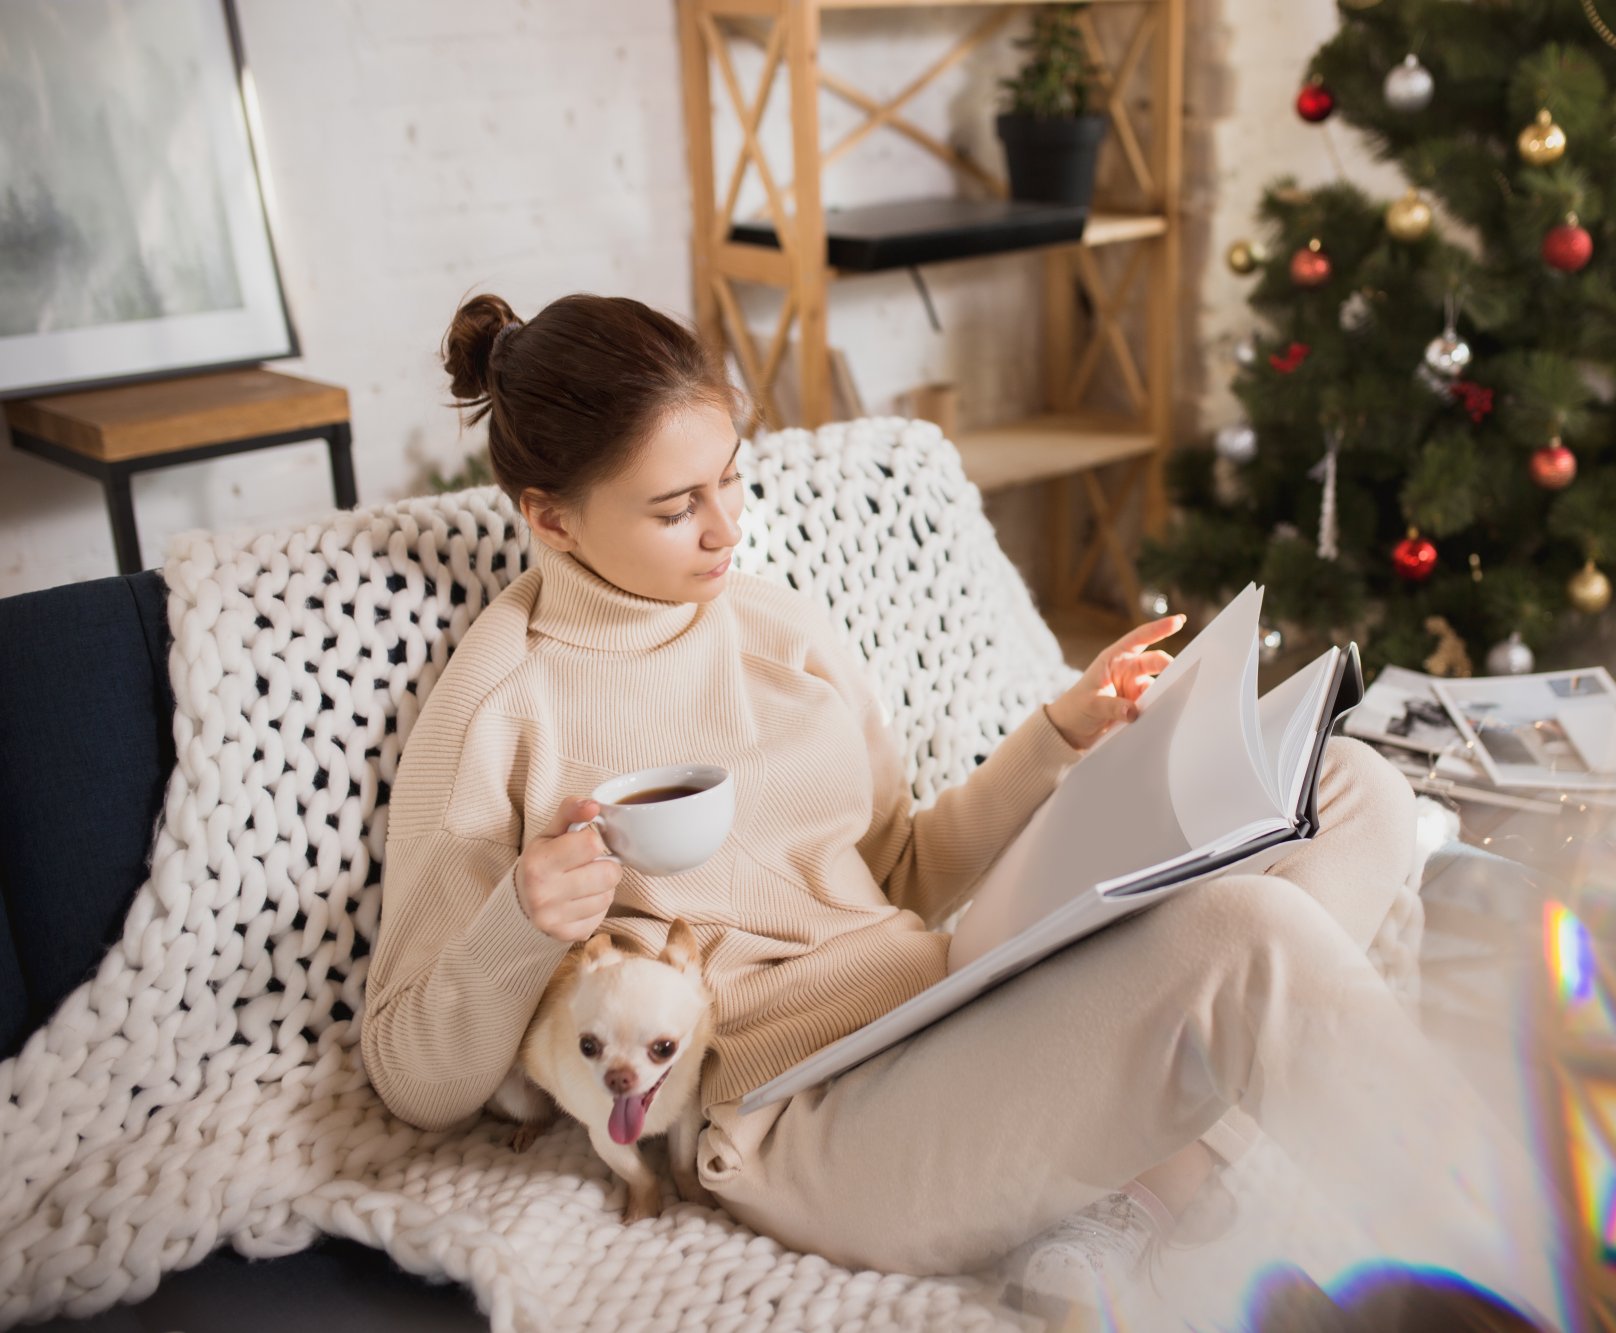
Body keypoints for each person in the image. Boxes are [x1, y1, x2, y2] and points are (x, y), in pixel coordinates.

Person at [360, 291, 1552, 1321]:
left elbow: (907, 870)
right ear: (548, 517)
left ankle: (1134, 1170)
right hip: (801, 1122)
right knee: (1245, 941)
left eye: (729, 481)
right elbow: (409, 1073)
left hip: (937, 990)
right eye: (675, 509)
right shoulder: (503, 704)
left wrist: (1060, 738)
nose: (726, 529)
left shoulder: (773, 624)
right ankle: (1539, 1272)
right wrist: (523, 917)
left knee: (1353, 790)